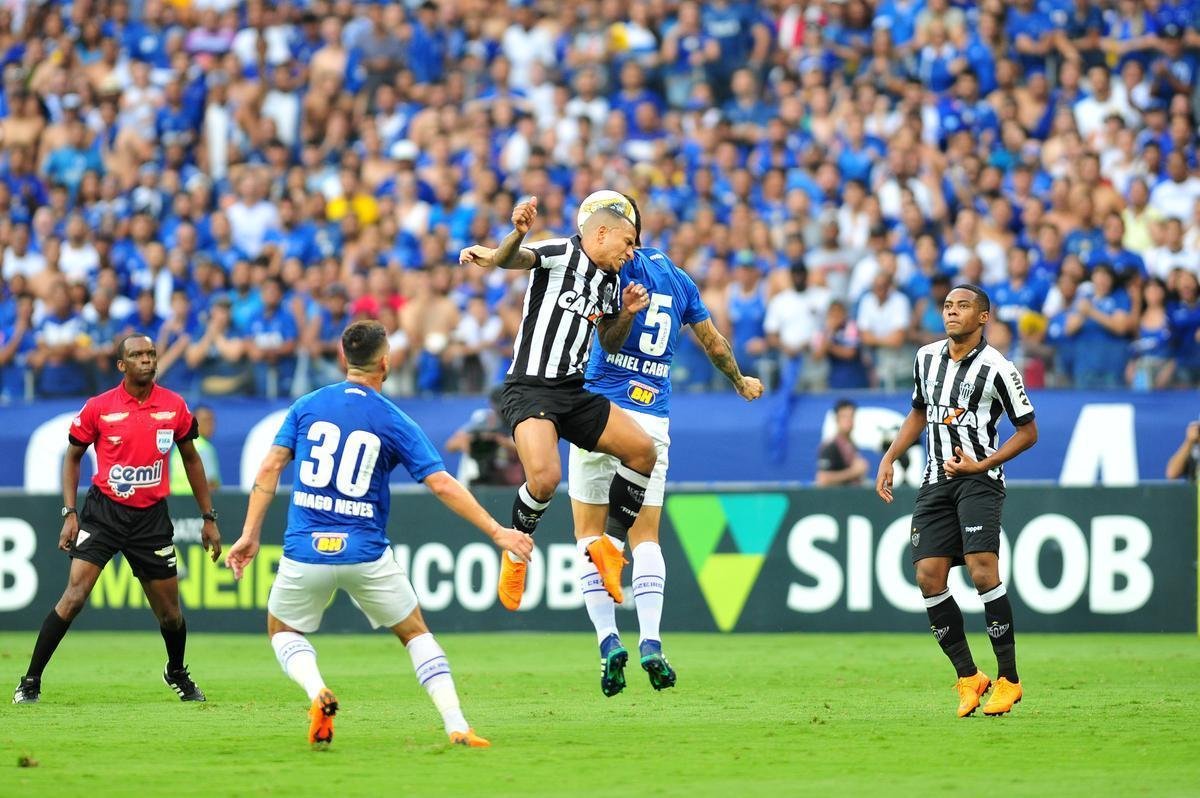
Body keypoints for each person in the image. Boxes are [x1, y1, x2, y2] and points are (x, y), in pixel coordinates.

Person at [224, 320, 532, 748]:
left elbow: (270, 467)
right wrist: (498, 532)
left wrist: (249, 534)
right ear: (386, 363)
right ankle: (457, 724)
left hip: (305, 551)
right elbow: (442, 484)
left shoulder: (308, 405)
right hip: (365, 553)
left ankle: (317, 691)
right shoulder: (393, 419)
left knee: (282, 630)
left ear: (341, 357)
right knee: (415, 633)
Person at [567, 191, 764, 696]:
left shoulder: (610, 273)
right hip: (652, 419)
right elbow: (714, 342)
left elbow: (608, 340)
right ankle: (651, 641)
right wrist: (740, 381)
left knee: (589, 534)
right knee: (646, 538)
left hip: (601, 411)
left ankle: (608, 641)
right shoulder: (678, 278)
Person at [458, 195, 658, 612]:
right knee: (546, 479)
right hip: (530, 387)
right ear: (601, 233)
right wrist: (517, 233)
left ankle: (609, 549)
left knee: (643, 451)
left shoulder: (610, 283)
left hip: (573, 392)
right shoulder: (560, 251)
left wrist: (626, 313)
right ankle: (516, 552)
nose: (631, 252)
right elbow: (509, 260)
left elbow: (609, 341)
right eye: (628, 241)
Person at [13, 334, 222, 704]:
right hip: (104, 513)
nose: (147, 359)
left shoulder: (173, 406)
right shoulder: (99, 407)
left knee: (170, 614)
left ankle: (176, 671)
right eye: (138, 355)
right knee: (74, 596)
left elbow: (191, 458)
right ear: (122, 365)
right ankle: (30, 681)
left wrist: (208, 517)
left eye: (151, 353)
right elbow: (72, 457)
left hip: (151, 519)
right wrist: (70, 513)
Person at [875, 285, 1038, 718]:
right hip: (935, 480)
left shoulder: (999, 369)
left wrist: (983, 463)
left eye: (963, 306)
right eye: (948, 306)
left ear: (983, 317)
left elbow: (1028, 431)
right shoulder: (925, 358)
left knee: (983, 569)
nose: (952, 312)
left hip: (979, 479)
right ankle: (969, 676)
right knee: (928, 576)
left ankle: (1009, 680)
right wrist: (890, 457)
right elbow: (919, 412)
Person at [445, 386, 524, 488]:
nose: (504, 411)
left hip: (516, 476)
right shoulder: (486, 421)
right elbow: (450, 445)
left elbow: (527, 448)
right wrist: (474, 442)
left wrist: (498, 439)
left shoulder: (521, 420)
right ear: (492, 405)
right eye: (500, 407)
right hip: (489, 472)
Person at [816, 399, 869, 486]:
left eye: (851, 416)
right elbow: (823, 479)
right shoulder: (830, 446)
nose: (849, 420)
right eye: (844, 416)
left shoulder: (851, 444)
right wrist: (854, 472)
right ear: (836, 419)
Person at [170, 404, 221, 494]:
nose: (210, 425)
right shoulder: (204, 448)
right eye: (205, 420)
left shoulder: (178, 446)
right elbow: (211, 485)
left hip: (176, 499)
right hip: (196, 500)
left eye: (212, 420)